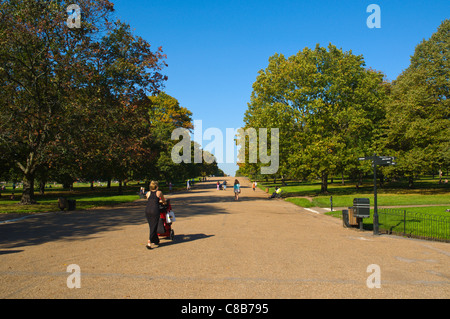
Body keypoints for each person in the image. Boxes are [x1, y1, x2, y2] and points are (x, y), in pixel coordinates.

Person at [145, 181, 167, 249]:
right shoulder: (159, 192)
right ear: (157, 186)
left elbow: (150, 200)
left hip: (148, 210)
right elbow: (163, 201)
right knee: (154, 226)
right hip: (155, 210)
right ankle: (149, 241)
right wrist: (163, 202)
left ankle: (156, 240)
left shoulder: (148, 193)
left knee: (152, 225)